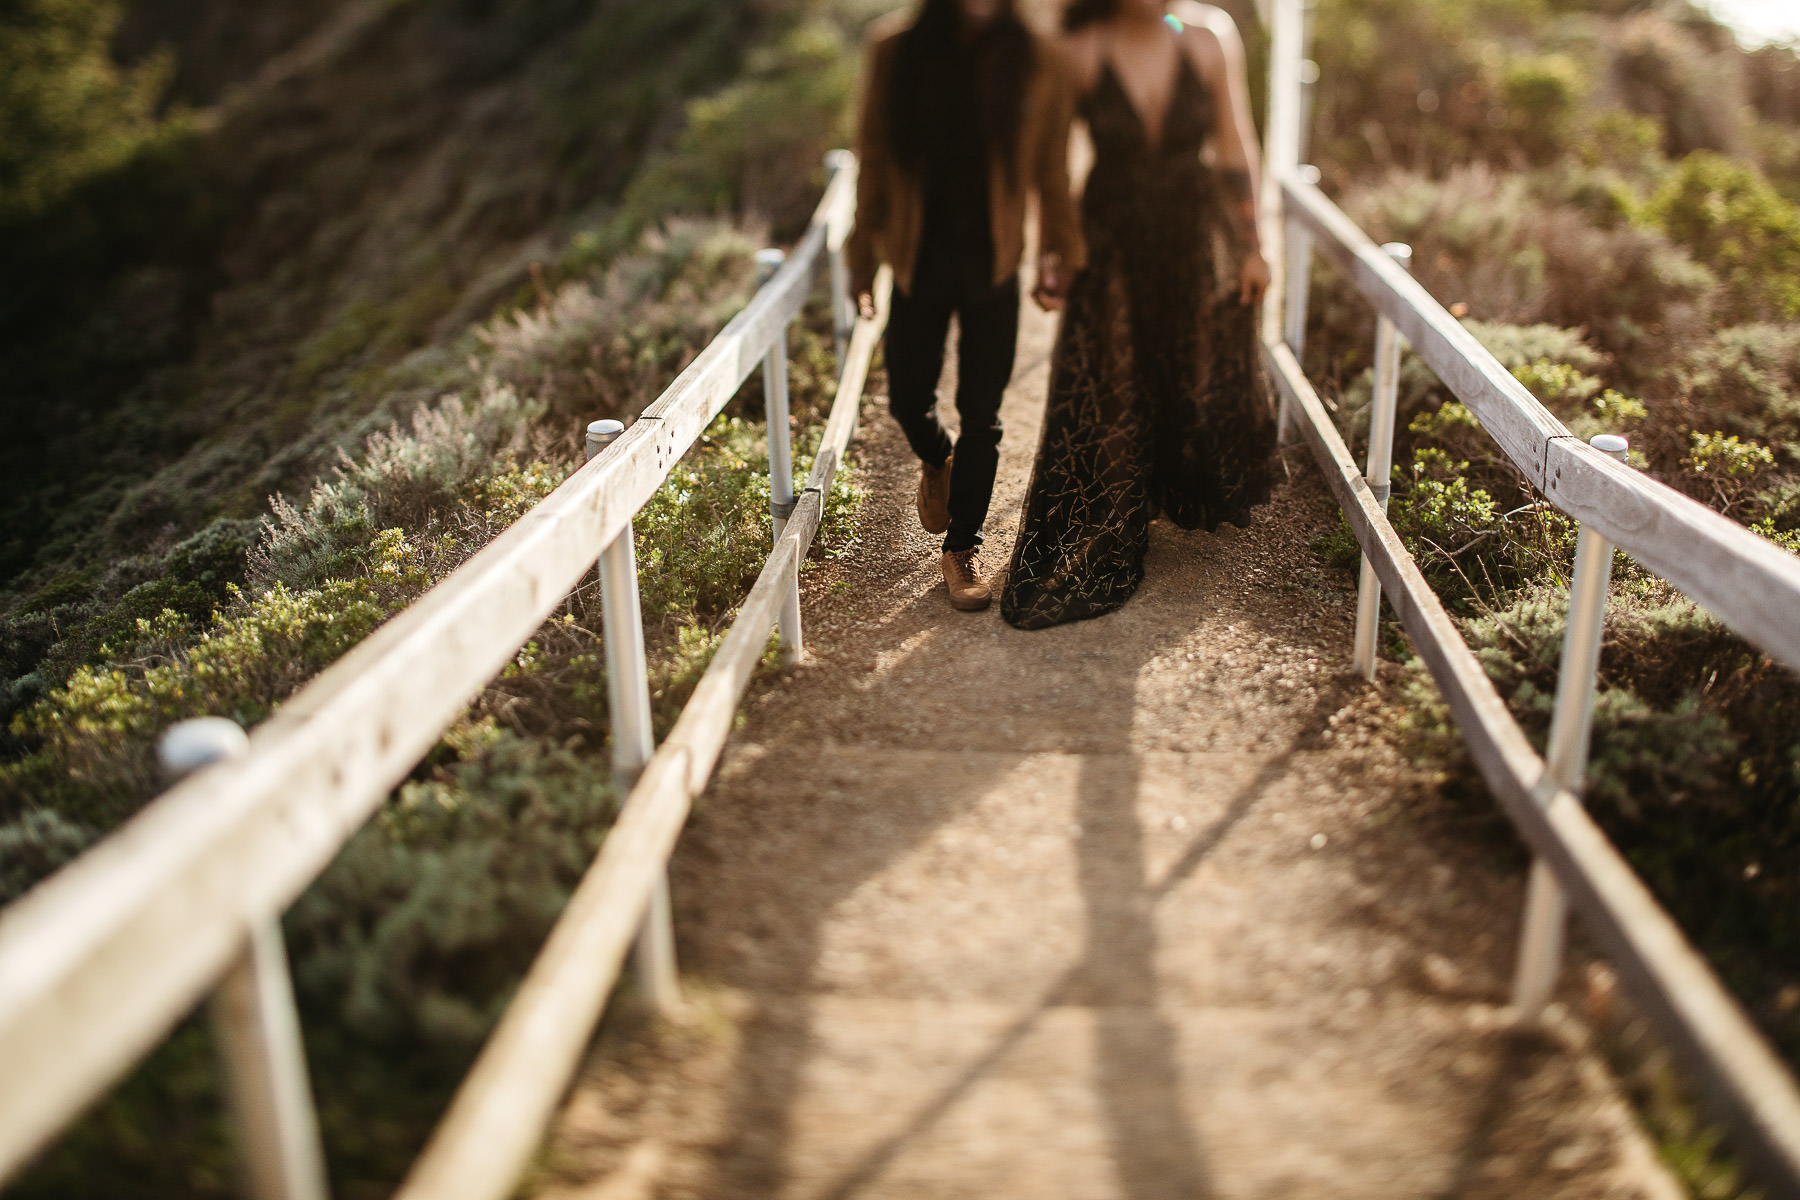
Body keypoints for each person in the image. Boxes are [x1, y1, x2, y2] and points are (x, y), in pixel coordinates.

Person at [1001, 0, 1275, 630]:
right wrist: (1053, 255)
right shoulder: (1078, 50)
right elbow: (1051, 166)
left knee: (1188, 357)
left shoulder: (1208, 37)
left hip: (1189, 228)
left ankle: (1170, 489)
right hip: (1111, 234)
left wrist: (1254, 248)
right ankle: (1120, 505)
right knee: (1112, 371)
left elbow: (1236, 147)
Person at [847, 0, 1085, 612]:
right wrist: (858, 253)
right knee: (905, 397)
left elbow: (1052, 170)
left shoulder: (1040, 59)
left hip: (993, 262)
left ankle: (962, 547)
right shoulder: (894, 50)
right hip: (917, 256)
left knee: (983, 413)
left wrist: (1060, 252)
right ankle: (937, 458)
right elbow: (872, 155)